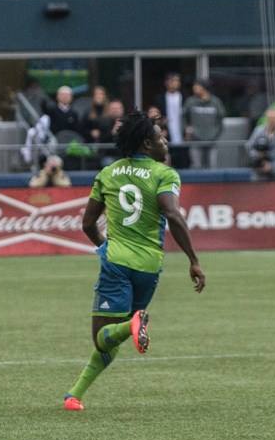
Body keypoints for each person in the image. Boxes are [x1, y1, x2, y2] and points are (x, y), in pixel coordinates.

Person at [64, 110, 205, 411]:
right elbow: (172, 215)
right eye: (159, 136)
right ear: (146, 144)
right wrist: (193, 259)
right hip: (150, 267)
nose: (165, 140)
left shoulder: (108, 173)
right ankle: (74, 395)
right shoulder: (165, 174)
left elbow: (88, 223)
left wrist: (103, 247)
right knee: (113, 338)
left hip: (116, 262)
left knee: (102, 338)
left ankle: (131, 324)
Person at [182, 78, 226, 169]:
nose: (194, 88)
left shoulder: (216, 102)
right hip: (195, 139)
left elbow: (220, 121)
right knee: (196, 166)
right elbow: (184, 118)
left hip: (212, 140)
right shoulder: (190, 102)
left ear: (204, 88)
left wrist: (215, 134)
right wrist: (187, 129)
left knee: (212, 166)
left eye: (196, 86)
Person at [245, 107, 275, 180]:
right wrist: (257, 155)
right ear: (266, 118)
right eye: (270, 118)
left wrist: (272, 167)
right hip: (259, 175)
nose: (272, 120)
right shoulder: (258, 131)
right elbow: (248, 147)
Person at [154, 72, 189, 169]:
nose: (175, 83)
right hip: (167, 135)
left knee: (183, 163)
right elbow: (155, 116)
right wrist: (162, 122)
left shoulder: (184, 97)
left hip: (182, 136)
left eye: (177, 81)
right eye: (173, 81)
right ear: (166, 83)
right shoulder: (160, 98)